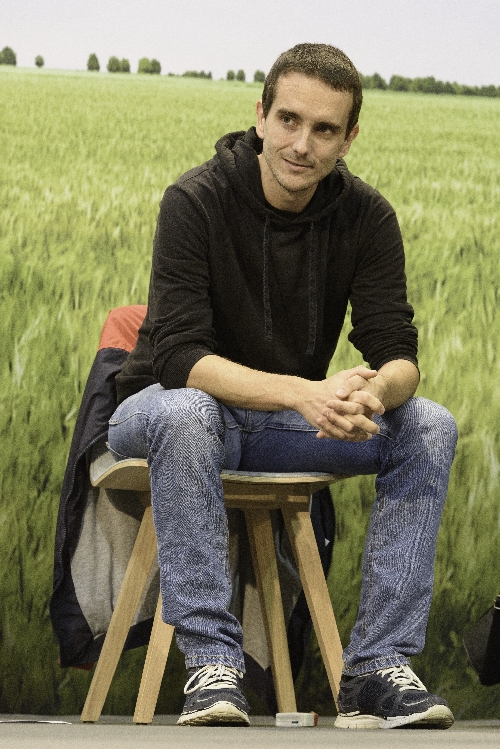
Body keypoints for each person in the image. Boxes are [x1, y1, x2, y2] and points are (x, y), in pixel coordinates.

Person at [108, 43, 458, 729]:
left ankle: (377, 666)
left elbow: (398, 354)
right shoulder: (194, 200)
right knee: (189, 411)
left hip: (276, 427)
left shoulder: (368, 216)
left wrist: (373, 394)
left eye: (324, 129)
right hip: (165, 412)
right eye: (289, 120)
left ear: (348, 138)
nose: (302, 144)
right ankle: (214, 665)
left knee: (428, 424)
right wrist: (304, 392)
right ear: (260, 115)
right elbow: (180, 358)